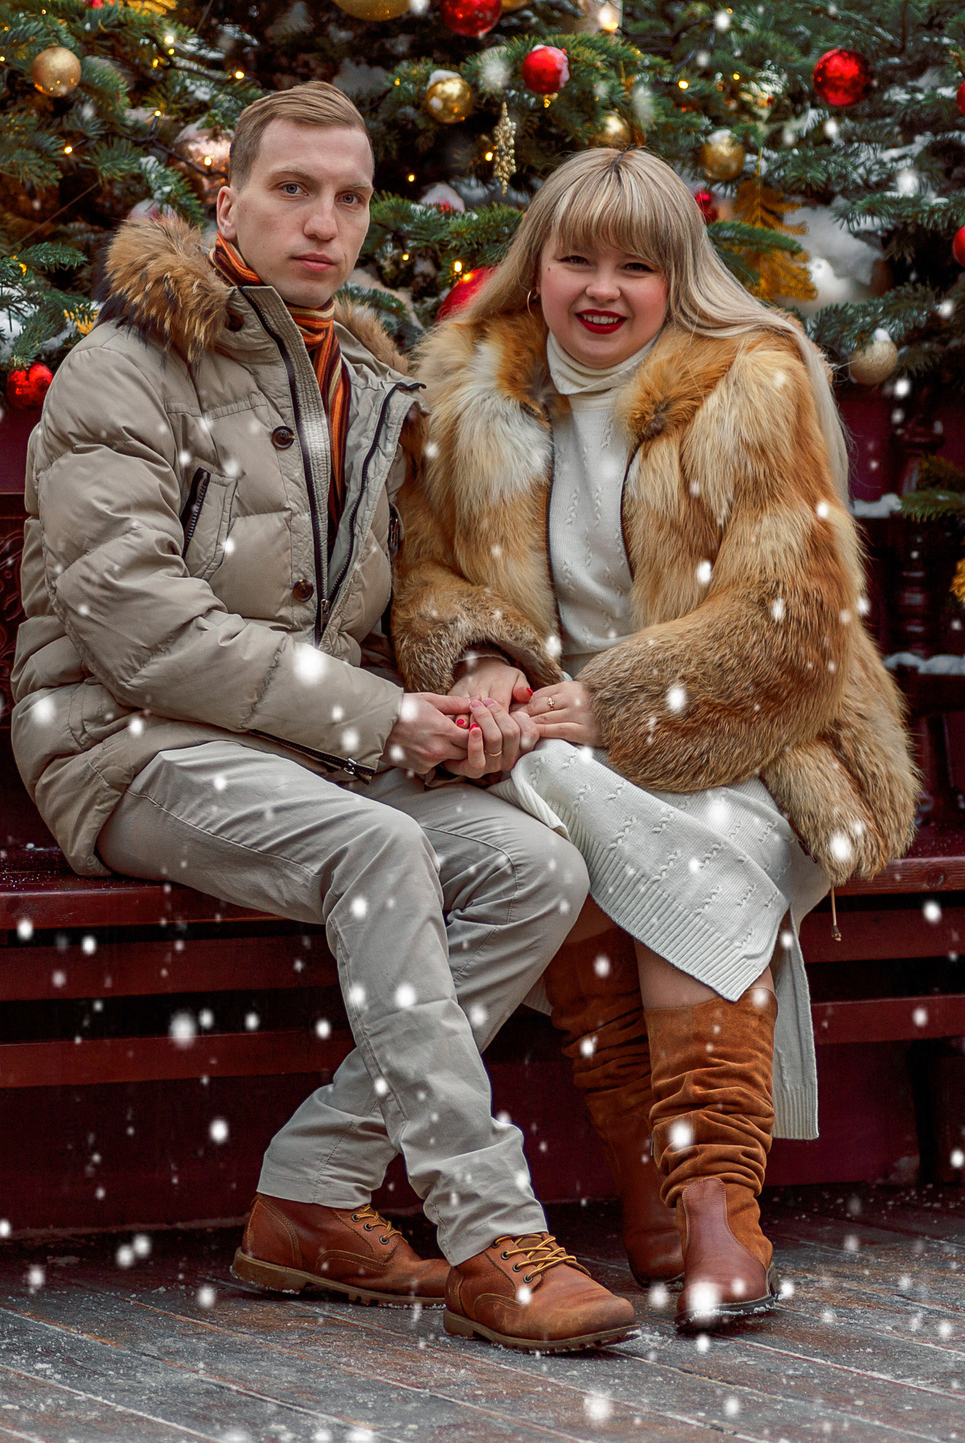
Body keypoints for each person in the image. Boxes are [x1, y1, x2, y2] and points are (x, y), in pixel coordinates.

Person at [9, 84, 635, 1354]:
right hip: (124, 747)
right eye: (292, 189)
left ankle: (309, 1193)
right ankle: (490, 1237)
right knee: (382, 848)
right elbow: (141, 629)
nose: (324, 223)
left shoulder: (367, 381)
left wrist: (478, 682)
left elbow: (403, 596)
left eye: (348, 197)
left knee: (532, 866)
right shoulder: (122, 369)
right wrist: (379, 720)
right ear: (224, 197)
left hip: (299, 751)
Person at [392, 147, 917, 1331]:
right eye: (576, 257)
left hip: (744, 728)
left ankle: (715, 1203)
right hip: (543, 734)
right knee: (556, 855)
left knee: (703, 843)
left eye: (636, 265)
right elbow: (421, 577)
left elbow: (793, 618)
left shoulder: (749, 382)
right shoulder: (465, 389)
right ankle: (660, 1194)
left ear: (678, 276)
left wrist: (626, 701)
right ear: (536, 267)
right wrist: (484, 660)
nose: (601, 289)